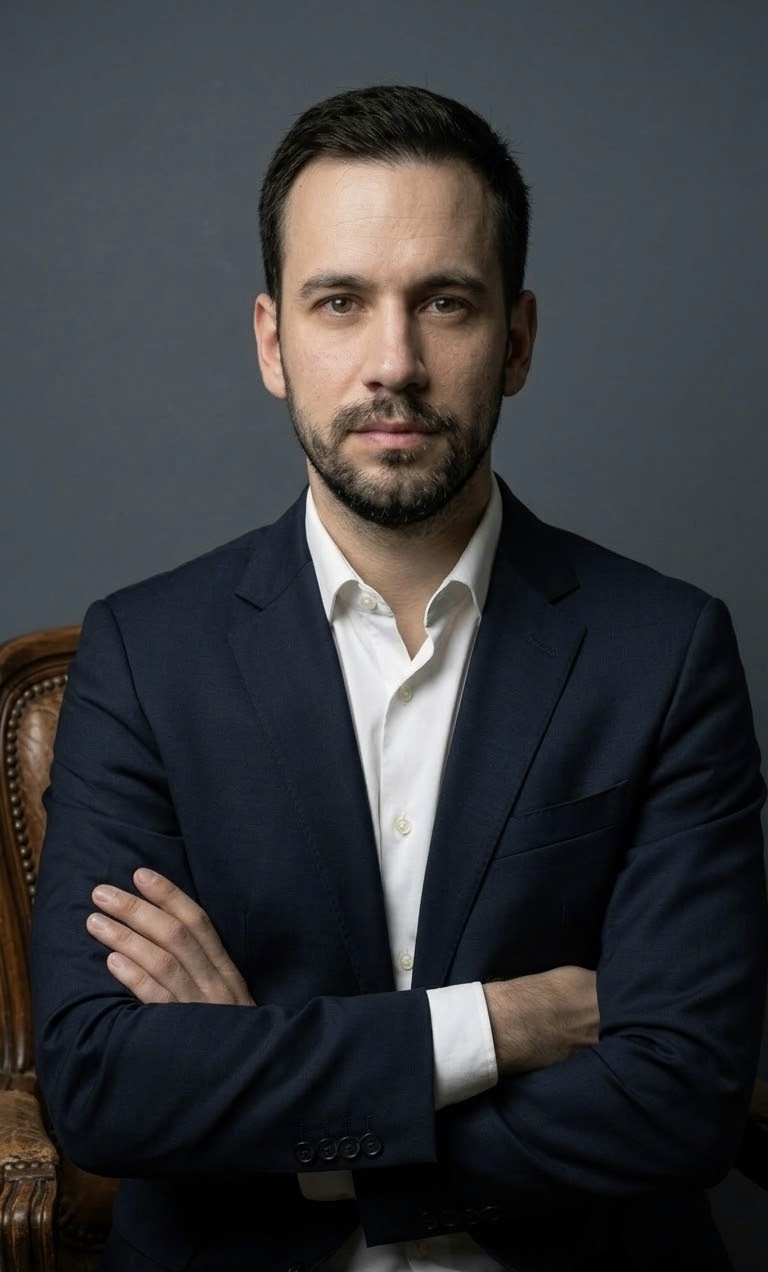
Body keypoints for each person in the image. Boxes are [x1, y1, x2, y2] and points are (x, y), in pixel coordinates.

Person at [30, 85, 766, 1272]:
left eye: (446, 302)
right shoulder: (144, 654)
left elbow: (681, 1097)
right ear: (273, 341)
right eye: (341, 301)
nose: (396, 362)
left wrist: (285, 1112)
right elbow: (103, 1086)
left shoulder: (665, 653)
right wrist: (496, 1027)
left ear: (516, 340)